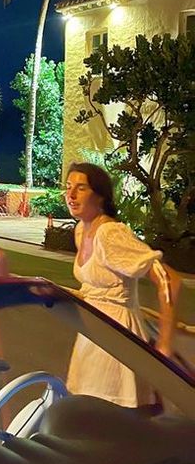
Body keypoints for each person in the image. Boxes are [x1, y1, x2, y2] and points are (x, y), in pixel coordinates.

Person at [64, 162, 181, 407]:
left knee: (112, 415)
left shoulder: (110, 234)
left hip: (117, 335)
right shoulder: (81, 231)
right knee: (88, 412)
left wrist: (165, 343)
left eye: (81, 188)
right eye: (68, 187)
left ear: (100, 196)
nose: (71, 195)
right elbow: (93, 288)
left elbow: (169, 280)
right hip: (92, 334)